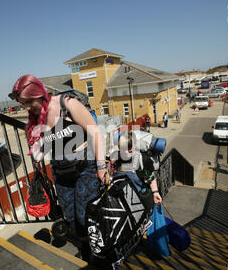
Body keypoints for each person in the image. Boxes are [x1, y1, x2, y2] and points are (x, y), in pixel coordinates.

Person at [9, 75, 107, 252]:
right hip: (60, 169)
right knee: (70, 215)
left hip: (84, 166)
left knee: (85, 214)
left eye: (30, 102)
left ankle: (99, 250)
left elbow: (97, 134)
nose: (27, 107)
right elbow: (43, 140)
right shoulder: (35, 116)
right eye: (23, 103)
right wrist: (37, 156)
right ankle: (86, 248)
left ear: (41, 94)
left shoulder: (66, 104)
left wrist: (101, 167)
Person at [110, 131, 162, 206]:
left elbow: (150, 177)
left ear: (135, 145)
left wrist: (155, 192)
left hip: (141, 202)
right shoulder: (116, 158)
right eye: (125, 148)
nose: (129, 150)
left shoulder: (143, 159)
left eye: (130, 147)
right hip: (122, 203)